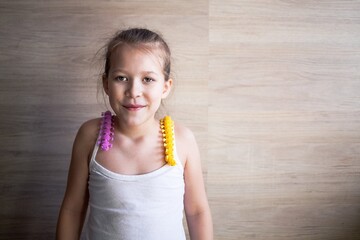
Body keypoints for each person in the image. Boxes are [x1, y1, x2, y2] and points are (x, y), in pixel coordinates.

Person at [56, 28, 213, 240]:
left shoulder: (183, 140)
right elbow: (72, 210)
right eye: (121, 78)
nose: (134, 91)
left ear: (165, 87)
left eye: (148, 79)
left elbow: (197, 212)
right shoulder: (89, 136)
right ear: (106, 84)